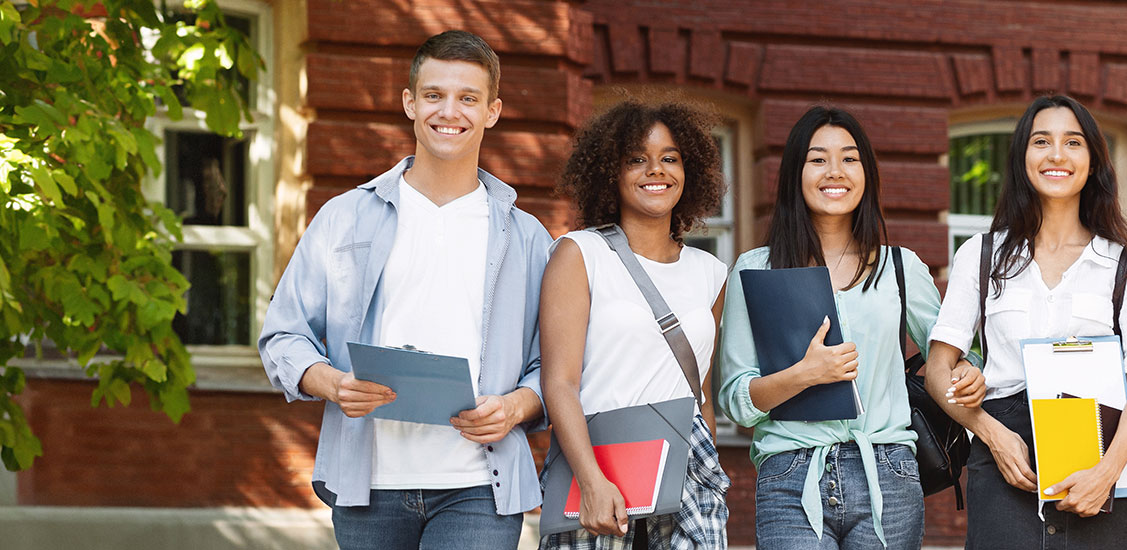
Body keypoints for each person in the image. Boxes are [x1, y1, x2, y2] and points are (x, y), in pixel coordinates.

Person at [258, 30, 552, 549]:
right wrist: (332, 383)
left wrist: (516, 407)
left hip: (479, 486)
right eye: (435, 95)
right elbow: (284, 335)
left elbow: (554, 364)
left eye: (468, 98)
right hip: (368, 485)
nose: (450, 112)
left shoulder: (526, 237)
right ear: (410, 103)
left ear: (492, 111)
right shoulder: (344, 217)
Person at [718, 106, 976, 550]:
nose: (834, 171)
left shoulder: (900, 268)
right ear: (795, 174)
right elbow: (736, 401)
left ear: (866, 173)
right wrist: (805, 374)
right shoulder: (756, 270)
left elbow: (953, 353)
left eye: (849, 158)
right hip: (790, 475)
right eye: (818, 159)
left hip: (888, 473)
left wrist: (967, 368)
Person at [923, 95, 1127, 549]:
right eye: (1041, 142)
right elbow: (938, 371)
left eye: (1073, 142)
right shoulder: (981, 255)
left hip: (1097, 448)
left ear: (1092, 161)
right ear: (1022, 158)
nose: (1056, 155)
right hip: (1004, 452)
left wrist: (1107, 473)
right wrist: (992, 435)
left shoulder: (1125, 263)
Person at [538, 100, 731, 549]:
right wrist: (590, 481)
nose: (655, 170)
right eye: (637, 159)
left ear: (690, 171)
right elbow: (559, 383)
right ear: (611, 172)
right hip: (598, 473)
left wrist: (710, 477)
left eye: (670, 158)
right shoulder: (578, 254)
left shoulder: (710, 272)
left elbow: (699, 393)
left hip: (687, 481)